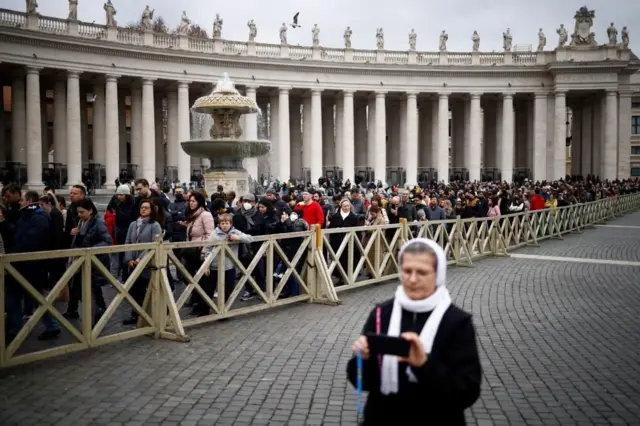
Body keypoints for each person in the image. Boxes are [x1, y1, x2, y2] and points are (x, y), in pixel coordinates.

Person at [347, 238, 482, 425]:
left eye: (422, 272)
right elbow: (362, 381)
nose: (412, 279)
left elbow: (466, 393)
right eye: (407, 271)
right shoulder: (381, 314)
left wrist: (425, 365)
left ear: (438, 274)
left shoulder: (457, 322)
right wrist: (362, 359)